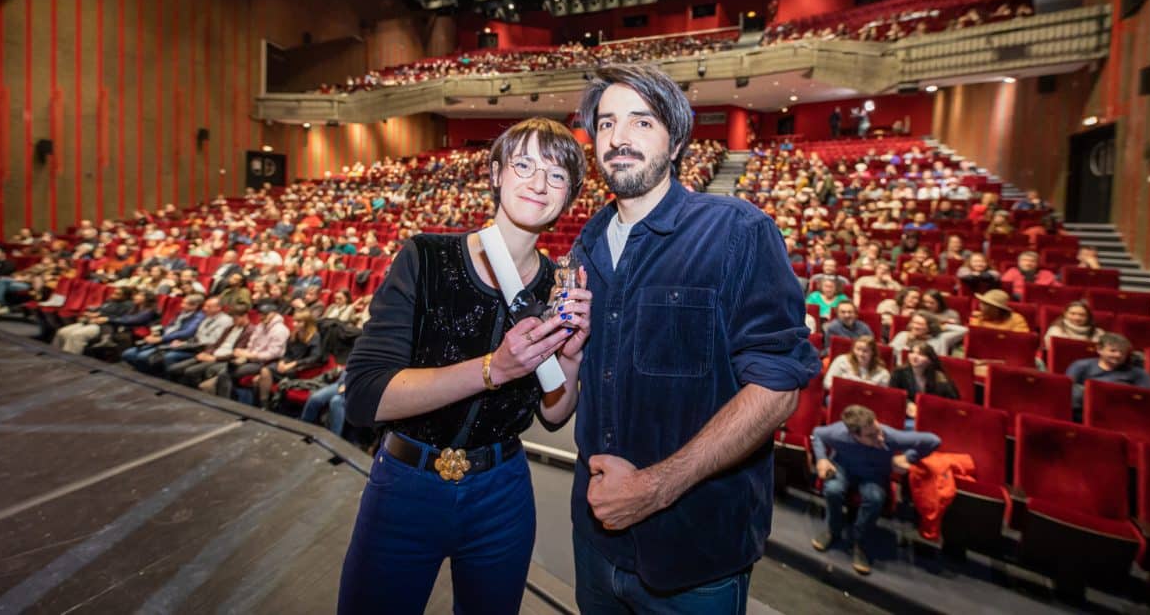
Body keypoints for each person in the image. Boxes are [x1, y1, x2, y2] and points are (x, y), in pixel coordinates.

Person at [567, 64, 816, 611]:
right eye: (606, 124)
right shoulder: (584, 247)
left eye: (641, 122)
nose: (620, 139)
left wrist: (654, 487)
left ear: (677, 139)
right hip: (594, 546)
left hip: (695, 554)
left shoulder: (739, 231)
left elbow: (777, 387)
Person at [338, 118, 592, 614]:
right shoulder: (427, 256)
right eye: (523, 164)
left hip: (502, 492)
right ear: (496, 174)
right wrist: (493, 368)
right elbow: (366, 395)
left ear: (570, 196)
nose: (539, 183)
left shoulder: (555, 290)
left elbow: (555, 414)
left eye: (557, 175)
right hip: (406, 485)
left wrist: (571, 358)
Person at [811, 404, 940, 574]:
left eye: (878, 429)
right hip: (844, 468)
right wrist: (821, 459)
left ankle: (859, 541)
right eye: (871, 436)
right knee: (833, 490)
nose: (879, 437)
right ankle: (833, 530)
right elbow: (818, 434)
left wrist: (908, 457)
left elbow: (933, 441)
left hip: (873, 475)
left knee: (875, 499)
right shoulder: (838, 433)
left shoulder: (890, 437)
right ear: (854, 435)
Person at [1065, 333, 1150, 417]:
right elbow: (1066, 391)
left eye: (1122, 352)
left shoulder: (1139, 374)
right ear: (1099, 349)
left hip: (1120, 414)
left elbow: (1147, 400)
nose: (1118, 355)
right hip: (1084, 411)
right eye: (1113, 351)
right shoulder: (1081, 366)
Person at [890, 343, 960, 421]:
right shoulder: (899, 373)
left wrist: (943, 384)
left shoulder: (939, 377)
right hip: (905, 417)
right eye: (912, 352)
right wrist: (907, 404)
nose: (914, 356)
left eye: (920, 354)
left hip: (932, 418)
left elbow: (954, 401)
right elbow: (893, 394)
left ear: (930, 360)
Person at [824, 336, 890, 389]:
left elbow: (882, 396)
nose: (860, 354)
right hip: (843, 396)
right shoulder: (842, 361)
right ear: (853, 349)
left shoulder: (882, 373)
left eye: (865, 351)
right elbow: (827, 383)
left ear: (873, 353)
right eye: (858, 349)